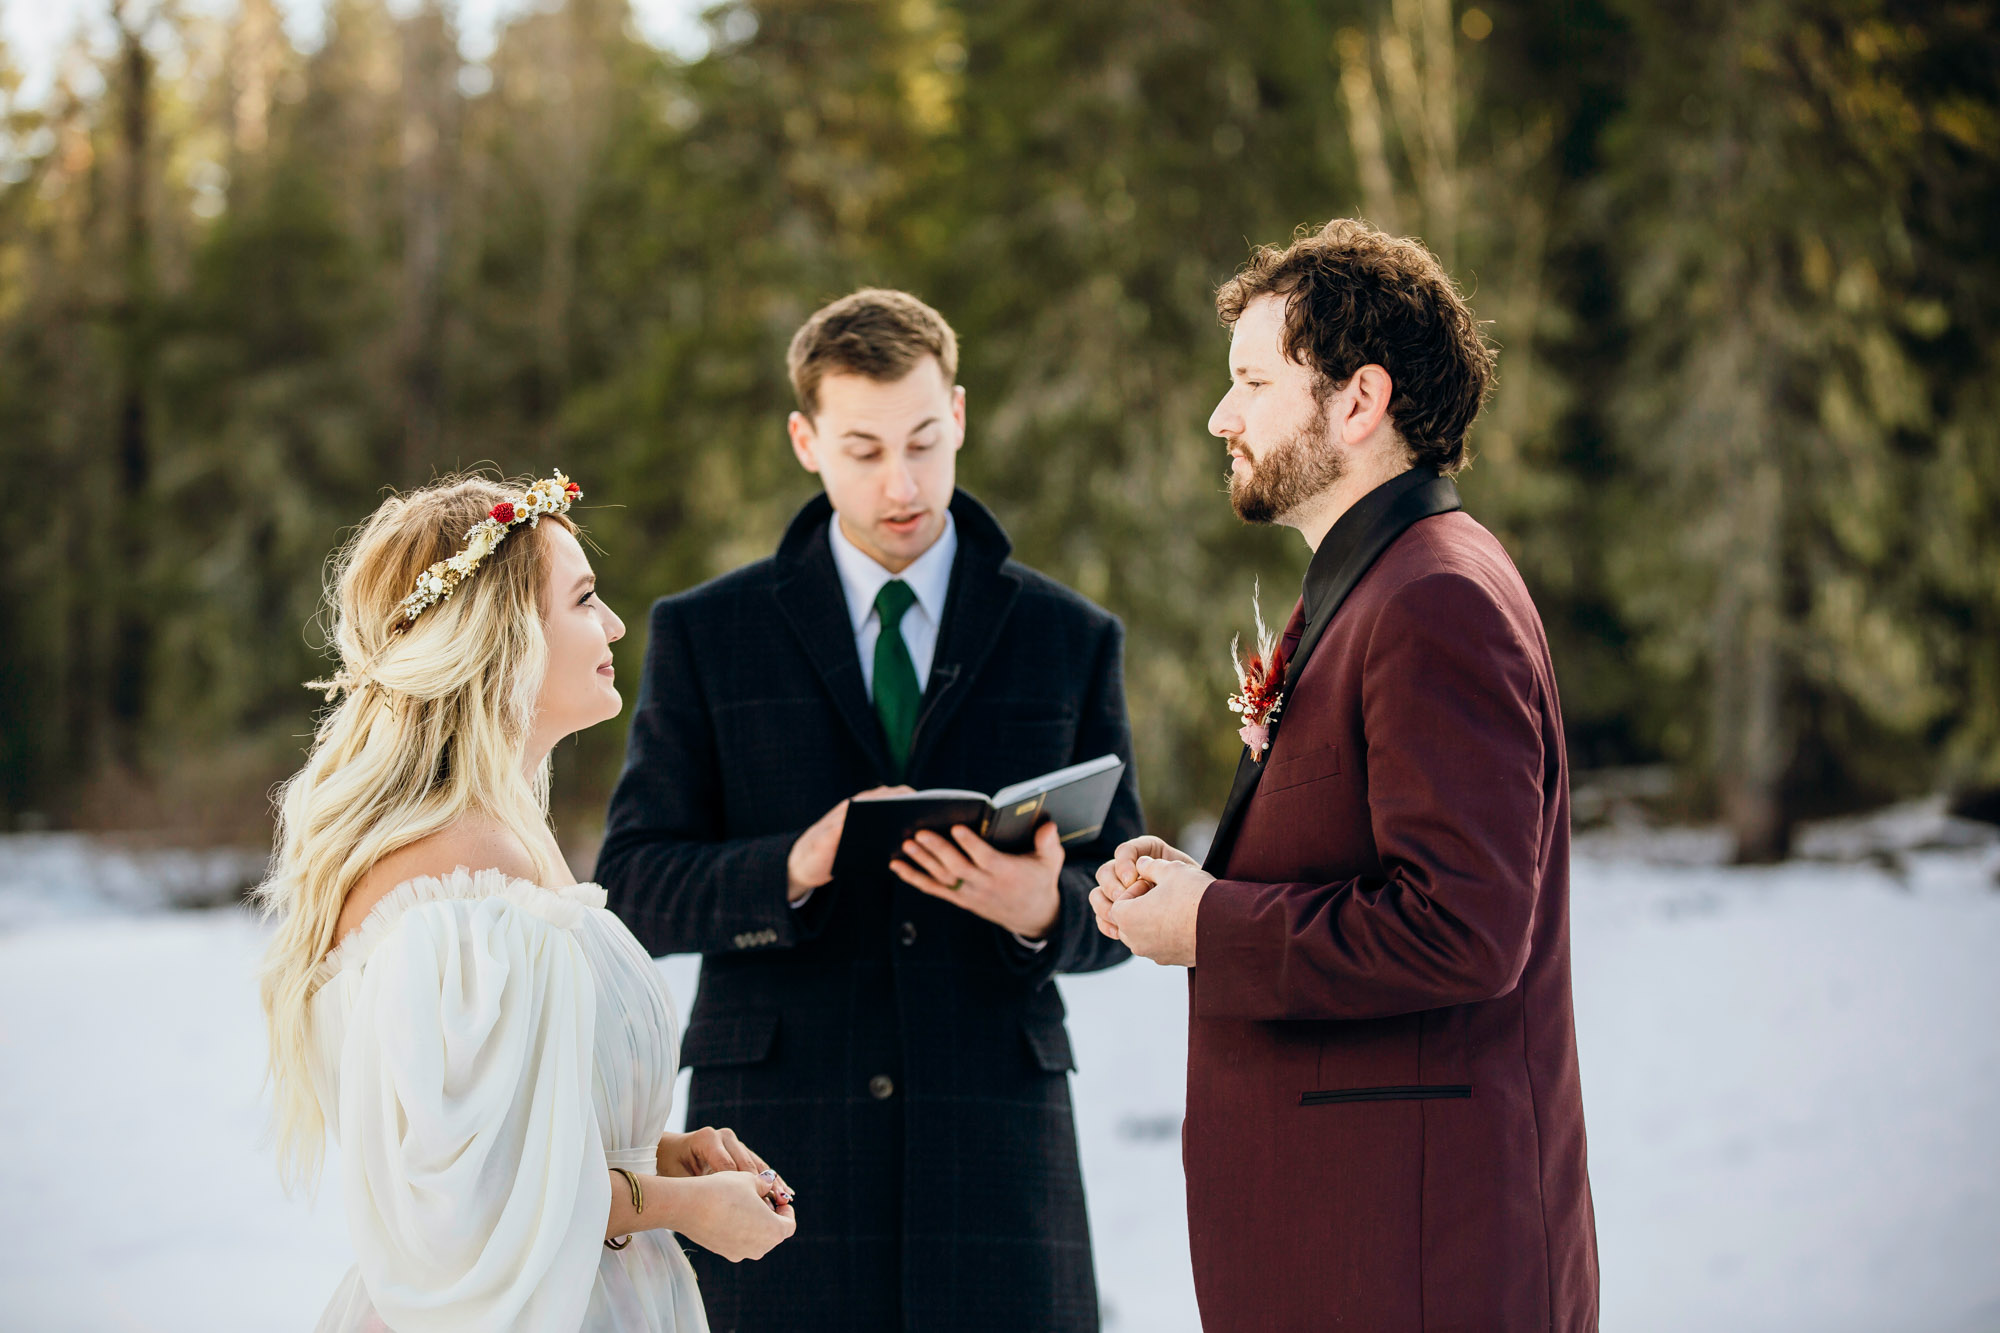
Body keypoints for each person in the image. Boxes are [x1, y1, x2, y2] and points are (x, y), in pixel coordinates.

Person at [595, 288, 1143, 1332]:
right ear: (804, 440)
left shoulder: (1068, 637)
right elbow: (632, 884)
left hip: (995, 1140)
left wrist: (1044, 905)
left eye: (924, 443)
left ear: (961, 418)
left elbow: (1122, 892)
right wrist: (792, 863)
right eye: (862, 449)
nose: (901, 483)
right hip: (772, 1144)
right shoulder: (706, 635)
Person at [1092, 220, 1599, 1330]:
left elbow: (1462, 927)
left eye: (1251, 382)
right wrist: (1199, 885)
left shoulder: (1435, 600)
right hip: (1355, 1244)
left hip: (1410, 1261)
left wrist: (1210, 926)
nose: (1220, 417)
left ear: (1357, 402)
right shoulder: (1379, 583)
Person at [256, 472, 794, 1333]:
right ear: (503, 639)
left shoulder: (507, 843)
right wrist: (679, 1208)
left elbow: (513, 1122)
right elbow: (474, 1200)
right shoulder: (464, 879)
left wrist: (660, 1155)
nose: (616, 624)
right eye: (584, 599)